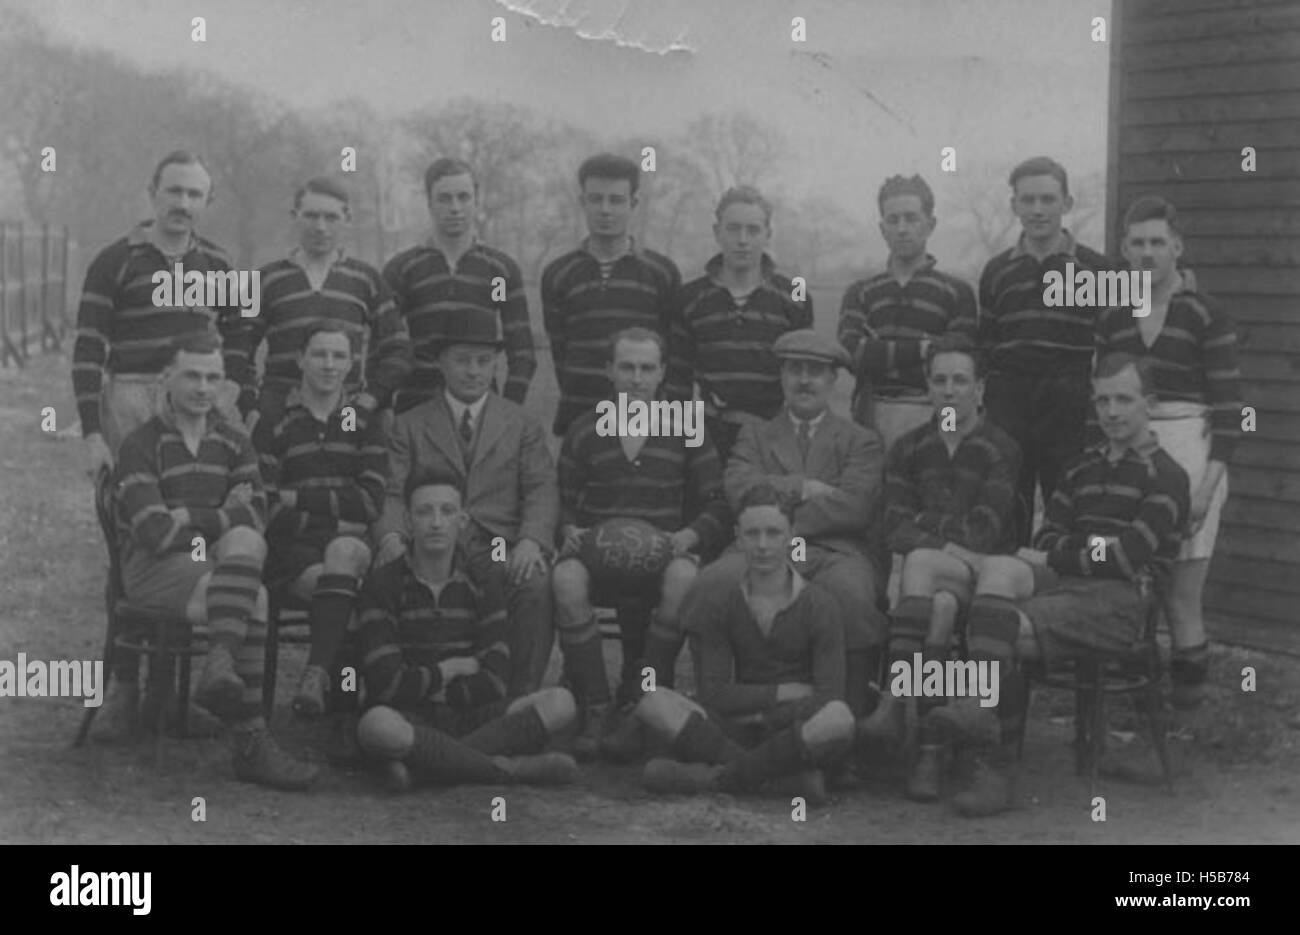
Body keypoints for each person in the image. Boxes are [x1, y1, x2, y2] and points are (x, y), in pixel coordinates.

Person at [931, 353, 1189, 816]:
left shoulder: (1168, 477)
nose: (1111, 412)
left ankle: (995, 762)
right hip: (1066, 587)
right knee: (1001, 570)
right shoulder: (1080, 467)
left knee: (996, 624)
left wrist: (1068, 553)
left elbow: (1127, 556)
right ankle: (979, 711)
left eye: (1124, 400)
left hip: (1122, 605)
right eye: (1103, 400)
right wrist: (1088, 550)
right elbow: (1046, 533)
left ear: (1148, 403)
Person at [104, 331, 318, 789]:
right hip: (153, 572)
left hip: (214, 567)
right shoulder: (141, 444)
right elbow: (154, 532)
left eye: (213, 378)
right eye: (192, 376)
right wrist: (219, 519)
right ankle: (251, 743)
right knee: (252, 595)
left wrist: (191, 516)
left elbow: (257, 513)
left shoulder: (233, 440)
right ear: (167, 379)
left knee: (246, 546)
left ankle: (219, 660)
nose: (203, 388)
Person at [686, 329, 888, 717]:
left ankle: (850, 716)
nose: (805, 380)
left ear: (833, 380)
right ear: (782, 377)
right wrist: (804, 486)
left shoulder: (860, 440)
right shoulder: (755, 434)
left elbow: (855, 507)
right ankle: (721, 710)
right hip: (759, 544)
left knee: (850, 592)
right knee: (713, 583)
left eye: (816, 371)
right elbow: (741, 492)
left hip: (835, 550)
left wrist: (776, 504)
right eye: (795, 370)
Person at [553, 327, 729, 758]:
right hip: (598, 553)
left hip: (662, 552)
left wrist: (689, 535)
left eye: (646, 368)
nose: (636, 377)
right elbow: (562, 500)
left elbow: (719, 504)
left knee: (685, 577)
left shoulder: (687, 426)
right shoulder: (585, 427)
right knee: (566, 579)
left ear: (662, 373)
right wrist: (568, 529)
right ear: (609, 370)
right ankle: (595, 703)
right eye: (627, 367)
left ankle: (642, 698)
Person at [1096, 195, 1242, 709]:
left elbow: (1228, 412)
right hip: (1128, 449)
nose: (1147, 253)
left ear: (1177, 247)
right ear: (1124, 250)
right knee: (1131, 587)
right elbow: (1105, 393)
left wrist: (1204, 488)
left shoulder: (1204, 313)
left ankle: (1184, 718)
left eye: (1158, 242)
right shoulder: (1114, 314)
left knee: (1181, 594)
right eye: (1137, 243)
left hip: (1190, 452)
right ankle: (1136, 715)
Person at [632, 484, 856, 805]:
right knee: (653, 702)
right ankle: (778, 781)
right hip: (737, 729)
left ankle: (720, 778)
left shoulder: (820, 605)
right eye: (752, 534)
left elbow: (828, 697)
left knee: (839, 717)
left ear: (792, 536)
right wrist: (784, 692)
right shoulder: (721, 601)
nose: (763, 545)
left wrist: (764, 717)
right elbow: (715, 694)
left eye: (773, 533)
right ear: (738, 537)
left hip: (796, 731)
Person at [355, 470, 578, 791]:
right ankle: (506, 769)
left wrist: (435, 685)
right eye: (424, 511)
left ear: (463, 520)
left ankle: (424, 770)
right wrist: (452, 668)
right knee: (377, 726)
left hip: (471, 714)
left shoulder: (482, 581)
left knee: (561, 703)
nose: (436, 522)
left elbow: (497, 679)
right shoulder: (382, 584)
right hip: (408, 717)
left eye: (447, 511)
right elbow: (385, 684)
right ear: (407, 521)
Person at [375, 307, 557, 697]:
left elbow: (541, 488)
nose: (474, 371)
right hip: (430, 541)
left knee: (532, 582)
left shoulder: (520, 423)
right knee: (396, 579)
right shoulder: (411, 424)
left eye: (484, 361)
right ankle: (424, 693)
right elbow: (392, 490)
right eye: (462, 361)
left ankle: (519, 699)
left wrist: (530, 541)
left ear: (496, 364)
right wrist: (391, 536)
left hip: (495, 542)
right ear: (441, 363)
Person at [880, 337, 1021, 800]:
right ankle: (933, 746)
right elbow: (893, 527)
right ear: (927, 388)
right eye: (939, 380)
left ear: (979, 389)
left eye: (960, 380)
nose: (949, 390)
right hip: (945, 581)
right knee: (937, 605)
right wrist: (951, 544)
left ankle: (896, 705)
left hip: (988, 583)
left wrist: (930, 532)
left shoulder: (1001, 447)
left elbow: (983, 531)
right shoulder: (908, 447)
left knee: (920, 561)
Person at [72, 150, 244, 476]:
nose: (183, 203)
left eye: (194, 194)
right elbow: (88, 349)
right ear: (153, 193)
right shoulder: (113, 261)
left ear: (208, 200)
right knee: (131, 503)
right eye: (174, 191)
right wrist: (92, 434)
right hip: (130, 400)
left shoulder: (221, 263)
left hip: (196, 394)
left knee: (194, 497)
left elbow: (243, 331)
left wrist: (231, 385)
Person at [253, 324, 388, 716]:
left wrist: (299, 498)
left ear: (351, 364)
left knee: (345, 556)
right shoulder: (275, 421)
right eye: (319, 354)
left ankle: (316, 675)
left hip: (346, 550)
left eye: (339, 356)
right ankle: (342, 715)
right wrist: (334, 519)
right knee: (342, 591)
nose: (329, 365)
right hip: (293, 554)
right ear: (300, 359)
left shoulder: (361, 423)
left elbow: (370, 503)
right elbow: (268, 505)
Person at [978, 156, 1114, 545]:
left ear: (1066, 204)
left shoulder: (1096, 269)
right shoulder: (997, 270)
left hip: (1068, 401)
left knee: (1067, 502)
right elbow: (985, 344)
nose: (1038, 210)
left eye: (1048, 199)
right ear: (1014, 206)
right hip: (1009, 401)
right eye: (1028, 200)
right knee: (1008, 503)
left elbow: (1109, 344)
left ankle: (1057, 595)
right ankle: (1003, 591)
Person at [229, 176, 411, 431]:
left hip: (346, 417)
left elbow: (397, 350)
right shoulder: (265, 279)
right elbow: (238, 351)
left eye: (331, 218)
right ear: (295, 216)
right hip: (279, 418)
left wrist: (368, 402)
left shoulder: (366, 279)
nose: (321, 227)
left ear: (347, 219)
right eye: (311, 216)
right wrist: (251, 408)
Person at [542, 153, 687, 438]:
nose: (605, 210)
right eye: (596, 199)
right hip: (580, 419)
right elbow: (561, 353)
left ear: (633, 204)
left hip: (646, 424)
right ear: (582, 202)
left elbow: (673, 355)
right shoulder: (558, 274)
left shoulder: (662, 273)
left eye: (616, 200)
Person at [838, 174, 977, 451]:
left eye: (911, 218)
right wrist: (924, 349)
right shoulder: (861, 291)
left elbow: (956, 365)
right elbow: (851, 353)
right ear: (882, 228)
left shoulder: (956, 292)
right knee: (874, 491)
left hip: (934, 413)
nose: (902, 229)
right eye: (893, 220)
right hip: (871, 413)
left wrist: (879, 351)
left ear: (930, 224)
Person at [384, 158, 535, 413]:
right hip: (417, 408)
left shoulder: (499, 271)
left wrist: (507, 411)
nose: (455, 208)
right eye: (444, 198)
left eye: (463, 197)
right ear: (429, 203)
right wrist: (384, 407)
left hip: (481, 410)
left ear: (476, 201)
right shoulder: (403, 269)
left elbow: (522, 352)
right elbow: (385, 348)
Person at [675, 185, 812, 463]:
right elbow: (677, 381)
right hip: (706, 435)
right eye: (733, 229)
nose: (742, 240)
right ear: (717, 232)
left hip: (773, 436)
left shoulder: (794, 297)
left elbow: (803, 378)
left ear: (767, 234)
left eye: (753, 230)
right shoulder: (689, 297)